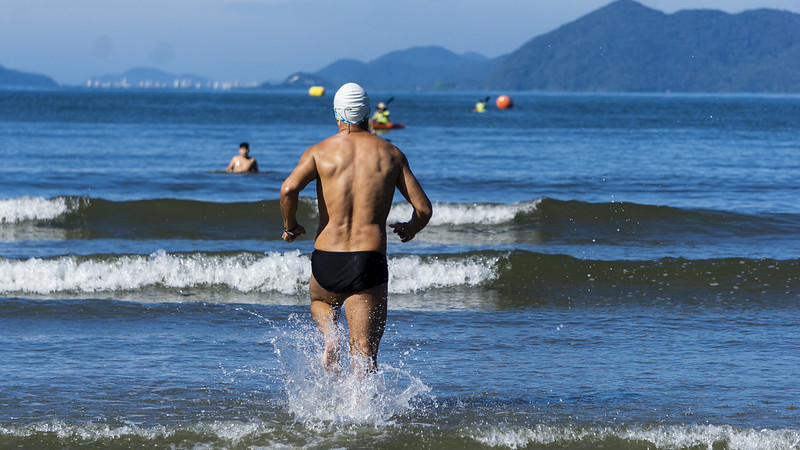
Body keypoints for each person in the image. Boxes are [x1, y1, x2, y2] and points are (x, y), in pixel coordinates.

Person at [280, 82, 432, 375]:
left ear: (337, 112)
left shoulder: (318, 152)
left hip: (326, 255)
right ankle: (364, 419)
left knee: (320, 301)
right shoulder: (391, 154)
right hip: (367, 260)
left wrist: (291, 227)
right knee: (364, 356)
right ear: (366, 113)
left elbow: (288, 190)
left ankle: (330, 338)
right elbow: (424, 209)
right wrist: (411, 229)